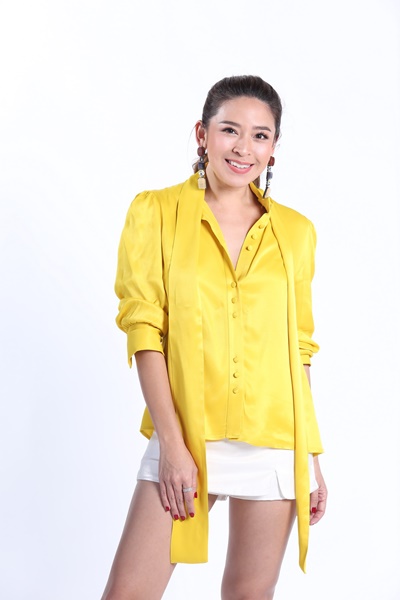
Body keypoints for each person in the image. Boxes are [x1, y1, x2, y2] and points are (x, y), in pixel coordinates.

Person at [101, 75, 327, 600]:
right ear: (203, 134)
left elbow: (298, 348)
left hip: (276, 442)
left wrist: (311, 458)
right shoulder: (154, 212)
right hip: (186, 435)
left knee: (248, 595)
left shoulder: (296, 232)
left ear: (273, 148)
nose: (244, 148)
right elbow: (145, 330)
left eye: (260, 135)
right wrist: (173, 447)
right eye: (230, 130)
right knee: (127, 593)